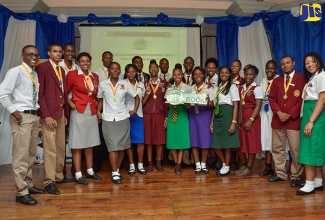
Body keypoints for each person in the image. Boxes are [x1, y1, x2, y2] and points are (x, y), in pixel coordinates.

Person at [0, 45, 44, 205]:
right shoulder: (16, 71)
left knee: (31, 154)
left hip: (33, 116)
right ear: (23, 55)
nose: (34, 57)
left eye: (37, 55)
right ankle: (21, 192)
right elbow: (2, 94)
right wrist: (16, 115)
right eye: (30, 54)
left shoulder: (34, 74)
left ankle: (28, 184)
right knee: (20, 156)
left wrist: (36, 119)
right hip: (22, 117)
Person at [97, 62, 140, 184]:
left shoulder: (125, 84)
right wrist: (97, 111)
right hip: (108, 119)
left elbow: (137, 97)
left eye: (117, 69)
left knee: (122, 147)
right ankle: (114, 172)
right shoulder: (103, 84)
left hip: (123, 118)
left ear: (120, 71)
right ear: (109, 70)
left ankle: (116, 169)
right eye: (112, 69)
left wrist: (135, 110)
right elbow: (100, 100)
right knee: (112, 147)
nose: (115, 71)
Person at [36, 43, 69, 195]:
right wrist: (46, 115)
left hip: (61, 113)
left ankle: (58, 175)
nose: (58, 54)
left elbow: (63, 93)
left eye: (60, 52)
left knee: (61, 147)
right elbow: (40, 94)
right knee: (50, 149)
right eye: (55, 52)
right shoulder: (42, 68)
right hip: (48, 114)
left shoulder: (61, 70)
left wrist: (65, 114)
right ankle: (49, 181)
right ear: (49, 53)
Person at [268, 55, 305, 187]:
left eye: (288, 63)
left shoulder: (301, 79)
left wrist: (289, 114)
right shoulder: (277, 81)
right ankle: (280, 174)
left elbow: (302, 99)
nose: (285, 66)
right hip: (278, 120)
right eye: (283, 64)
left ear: (294, 63)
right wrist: (279, 112)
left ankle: (295, 176)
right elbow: (271, 99)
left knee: (295, 150)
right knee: (278, 148)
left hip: (293, 121)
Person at [66, 52, 101, 185]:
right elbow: (65, 92)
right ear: (78, 63)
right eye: (82, 61)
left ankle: (90, 171)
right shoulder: (73, 75)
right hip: (79, 110)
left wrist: (98, 111)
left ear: (90, 62)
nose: (85, 63)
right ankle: (78, 173)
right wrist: (71, 104)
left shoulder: (95, 77)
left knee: (89, 143)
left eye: (87, 61)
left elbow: (96, 95)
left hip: (91, 111)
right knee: (77, 144)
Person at [297, 52, 325, 195]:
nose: (310, 65)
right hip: (310, 112)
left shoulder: (322, 76)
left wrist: (311, 121)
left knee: (309, 148)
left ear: (319, 62)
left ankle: (309, 184)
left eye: (312, 61)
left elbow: (322, 100)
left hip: (315, 115)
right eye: (307, 63)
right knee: (315, 147)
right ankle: (318, 181)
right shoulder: (314, 77)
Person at [210, 66, 240, 176]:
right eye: (222, 72)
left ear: (230, 74)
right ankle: (224, 163)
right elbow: (214, 105)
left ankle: (227, 166)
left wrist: (234, 122)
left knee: (227, 144)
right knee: (216, 144)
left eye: (226, 73)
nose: (224, 74)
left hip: (228, 114)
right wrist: (212, 121)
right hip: (218, 115)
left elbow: (236, 106)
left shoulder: (233, 87)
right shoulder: (217, 88)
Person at [235, 64, 263, 176]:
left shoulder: (258, 88)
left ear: (255, 75)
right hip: (241, 117)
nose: (248, 76)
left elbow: (258, 106)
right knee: (240, 142)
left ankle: (249, 167)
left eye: (251, 74)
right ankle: (244, 164)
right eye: (246, 74)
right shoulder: (240, 88)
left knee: (251, 142)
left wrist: (251, 119)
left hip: (251, 117)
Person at [187, 66, 214, 174]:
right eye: (195, 74)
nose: (198, 76)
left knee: (205, 140)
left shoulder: (209, 88)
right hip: (193, 114)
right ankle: (197, 165)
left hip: (205, 114)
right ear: (193, 76)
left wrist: (208, 102)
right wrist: (186, 105)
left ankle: (204, 165)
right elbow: (187, 105)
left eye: (200, 74)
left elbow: (213, 105)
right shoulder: (190, 89)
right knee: (194, 140)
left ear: (204, 75)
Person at [143, 59, 168, 172]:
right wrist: (147, 94)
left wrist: (166, 117)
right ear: (148, 70)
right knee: (148, 141)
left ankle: (158, 162)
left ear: (158, 69)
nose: (153, 69)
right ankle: (149, 163)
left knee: (159, 141)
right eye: (151, 68)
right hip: (147, 114)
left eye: (155, 68)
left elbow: (167, 102)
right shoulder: (144, 84)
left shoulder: (165, 84)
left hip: (160, 114)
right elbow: (142, 101)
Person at [165, 67, 191, 175]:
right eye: (175, 75)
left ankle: (179, 165)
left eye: (179, 74)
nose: (177, 77)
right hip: (172, 113)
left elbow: (189, 105)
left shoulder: (187, 88)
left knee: (180, 141)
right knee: (172, 141)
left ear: (182, 75)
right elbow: (166, 103)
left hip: (182, 114)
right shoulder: (169, 88)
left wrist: (184, 102)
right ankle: (175, 164)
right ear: (173, 76)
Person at [59, 43, 78, 182]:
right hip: (62, 106)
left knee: (75, 137)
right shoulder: (58, 66)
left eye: (72, 51)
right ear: (63, 52)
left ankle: (75, 169)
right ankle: (62, 170)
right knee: (61, 139)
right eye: (68, 51)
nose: (70, 53)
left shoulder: (77, 67)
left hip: (76, 107)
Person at [124, 64, 147, 175]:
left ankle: (140, 165)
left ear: (136, 73)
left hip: (139, 115)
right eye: (129, 72)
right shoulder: (122, 84)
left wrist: (148, 95)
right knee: (128, 142)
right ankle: (132, 165)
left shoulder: (141, 85)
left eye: (133, 71)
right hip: (127, 115)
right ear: (126, 73)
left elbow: (142, 100)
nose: (131, 74)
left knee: (140, 142)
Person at [94, 51, 114, 172]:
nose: (108, 59)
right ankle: (98, 163)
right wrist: (98, 111)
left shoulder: (119, 74)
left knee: (113, 138)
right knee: (100, 138)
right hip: (102, 110)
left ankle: (117, 162)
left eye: (110, 58)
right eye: (105, 58)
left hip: (114, 111)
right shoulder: (96, 73)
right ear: (102, 59)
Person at [259, 60, 278, 176]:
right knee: (266, 139)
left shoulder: (279, 80)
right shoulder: (262, 81)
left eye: (272, 68)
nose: (269, 70)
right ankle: (268, 166)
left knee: (276, 142)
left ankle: (278, 168)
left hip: (275, 113)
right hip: (264, 113)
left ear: (276, 69)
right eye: (267, 68)